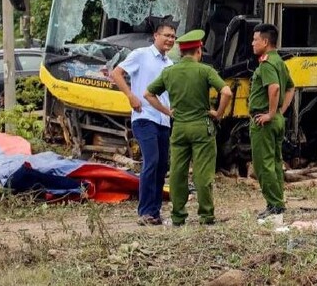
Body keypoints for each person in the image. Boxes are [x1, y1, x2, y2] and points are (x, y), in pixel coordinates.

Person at [144, 30, 233, 226]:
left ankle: (178, 216)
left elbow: (148, 94)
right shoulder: (205, 70)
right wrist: (218, 113)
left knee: (177, 172)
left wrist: (167, 111)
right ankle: (206, 215)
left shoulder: (169, 72)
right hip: (202, 128)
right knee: (202, 173)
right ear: (199, 50)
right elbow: (226, 92)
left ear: (182, 52)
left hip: (179, 129)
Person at [110, 22, 175, 226]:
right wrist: (130, 95)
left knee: (162, 165)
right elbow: (116, 73)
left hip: (163, 119)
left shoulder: (170, 65)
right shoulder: (141, 54)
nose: (170, 39)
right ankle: (145, 211)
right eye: (166, 35)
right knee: (152, 160)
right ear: (155, 35)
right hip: (144, 116)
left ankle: (155, 212)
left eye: (173, 37)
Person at [248, 23, 294, 219]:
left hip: (264, 121)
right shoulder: (280, 62)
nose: (252, 43)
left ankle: (274, 205)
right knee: (275, 161)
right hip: (277, 120)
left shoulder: (266, 63)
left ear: (265, 42)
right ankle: (278, 201)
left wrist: (270, 113)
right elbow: (291, 88)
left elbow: (274, 88)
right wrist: (280, 112)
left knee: (262, 164)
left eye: (255, 39)